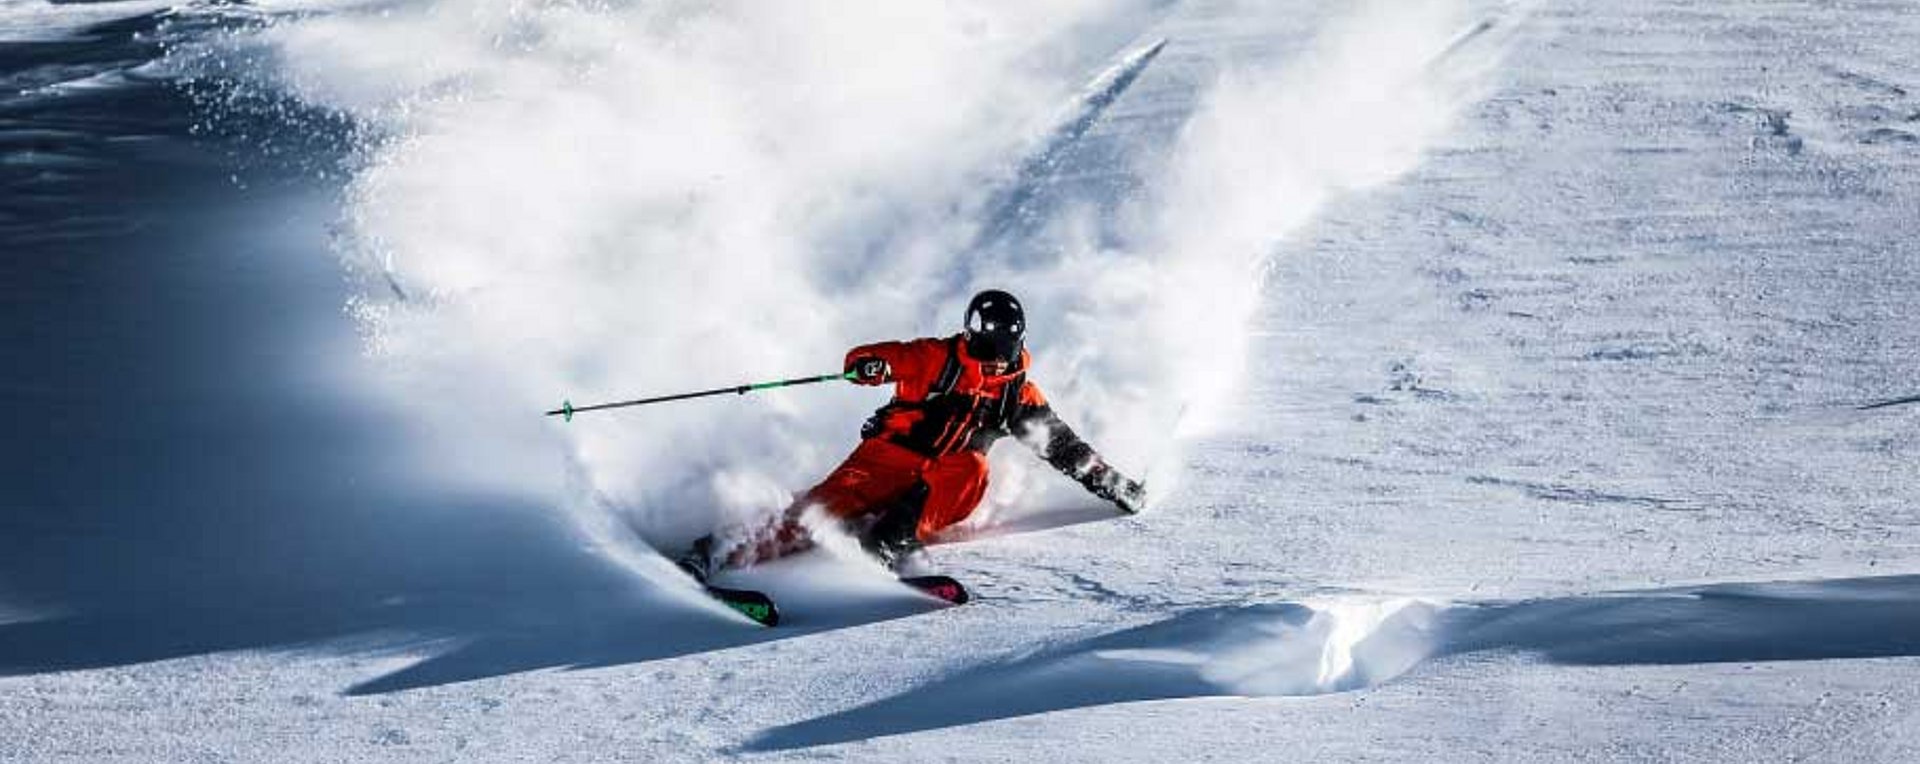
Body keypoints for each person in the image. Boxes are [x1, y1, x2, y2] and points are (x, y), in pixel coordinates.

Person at [677, 289, 1146, 582]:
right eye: (986, 348)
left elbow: (1063, 447)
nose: (995, 361)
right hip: (887, 460)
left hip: (942, 481)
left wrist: (1113, 483)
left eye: (1004, 350)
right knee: (818, 510)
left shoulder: (1019, 396)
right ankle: (712, 552)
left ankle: (887, 540)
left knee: (973, 468)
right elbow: (876, 358)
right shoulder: (935, 359)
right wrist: (869, 366)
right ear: (970, 337)